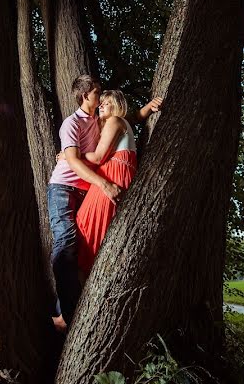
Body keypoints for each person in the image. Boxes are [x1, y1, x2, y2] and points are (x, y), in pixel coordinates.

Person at [60, 91, 162, 279]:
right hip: (118, 174)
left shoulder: (115, 120)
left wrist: (70, 154)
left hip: (113, 176)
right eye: (101, 103)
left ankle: (80, 285)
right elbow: (136, 117)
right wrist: (147, 108)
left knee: (87, 225)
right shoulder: (119, 123)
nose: (101, 105)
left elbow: (98, 157)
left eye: (106, 103)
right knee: (90, 224)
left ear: (116, 106)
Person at [47, 75, 120, 333]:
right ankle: (72, 314)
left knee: (83, 248)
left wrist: (148, 108)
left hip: (85, 193)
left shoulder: (100, 122)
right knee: (66, 241)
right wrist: (103, 183)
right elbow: (75, 163)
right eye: (96, 92)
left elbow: (124, 120)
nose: (100, 97)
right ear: (84, 96)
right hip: (64, 189)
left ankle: (59, 315)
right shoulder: (71, 123)